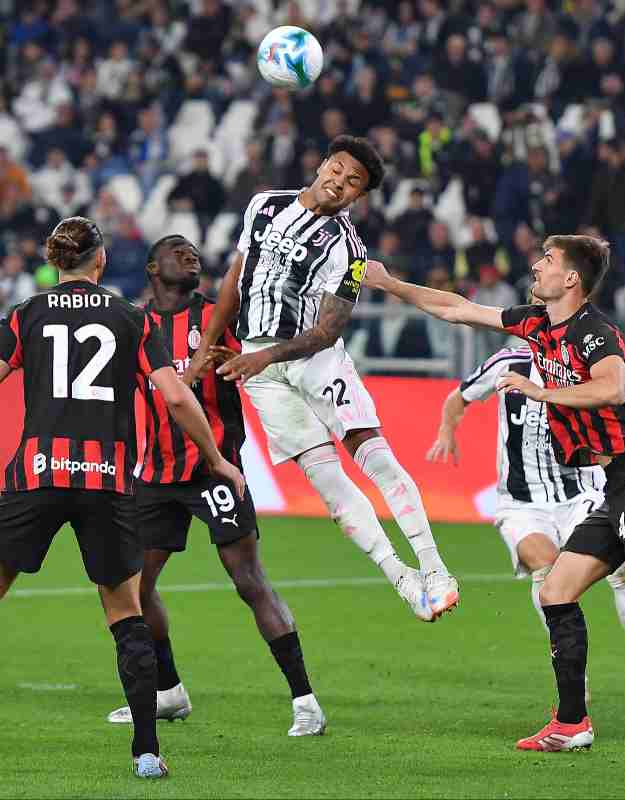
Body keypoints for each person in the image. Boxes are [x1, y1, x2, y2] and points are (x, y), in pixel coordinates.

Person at [362, 235, 625, 759]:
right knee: (555, 591)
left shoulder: (596, 333)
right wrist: (390, 284)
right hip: (618, 485)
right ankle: (572, 722)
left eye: (548, 260)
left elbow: (613, 388)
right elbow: (457, 308)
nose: (537, 265)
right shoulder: (533, 323)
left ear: (571, 279)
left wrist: (540, 391)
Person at [0, 217, 246, 778]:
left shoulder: (25, 315)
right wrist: (216, 459)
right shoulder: (131, 319)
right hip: (106, 482)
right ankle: (146, 753)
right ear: (102, 261)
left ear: (54, 261)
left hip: (36, 475)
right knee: (125, 613)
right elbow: (178, 399)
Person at [185, 135, 458, 621]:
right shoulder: (263, 205)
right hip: (259, 366)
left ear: (359, 197)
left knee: (377, 460)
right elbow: (235, 280)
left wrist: (265, 357)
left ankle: (435, 569)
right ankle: (402, 578)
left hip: (314, 361)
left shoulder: (348, 250)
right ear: (321, 164)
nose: (339, 182)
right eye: (337, 168)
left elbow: (327, 330)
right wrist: (205, 350)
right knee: (329, 487)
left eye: (353, 182)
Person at [104, 235, 324, 737]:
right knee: (135, 587)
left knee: (248, 580)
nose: (190, 255)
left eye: (194, 252)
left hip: (215, 467)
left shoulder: (220, 316)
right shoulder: (134, 325)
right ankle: (167, 693)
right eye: (177, 250)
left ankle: (306, 701)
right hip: (156, 474)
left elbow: (269, 353)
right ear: (151, 268)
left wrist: (242, 362)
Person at [432, 357, 625, 701]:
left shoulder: (585, 367)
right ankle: (574, 680)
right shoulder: (506, 364)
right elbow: (457, 398)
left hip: (580, 494)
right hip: (521, 503)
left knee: (624, 570)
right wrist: (446, 432)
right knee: (546, 569)